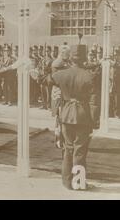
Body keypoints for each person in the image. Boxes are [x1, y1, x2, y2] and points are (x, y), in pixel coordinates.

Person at [52, 45, 100, 190]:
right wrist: (94, 122)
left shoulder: (60, 75)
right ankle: (78, 183)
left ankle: (67, 182)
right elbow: (94, 103)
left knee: (68, 148)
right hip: (83, 117)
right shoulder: (90, 76)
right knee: (80, 150)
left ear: (70, 59)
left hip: (66, 115)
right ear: (84, 60)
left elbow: (49, 84)